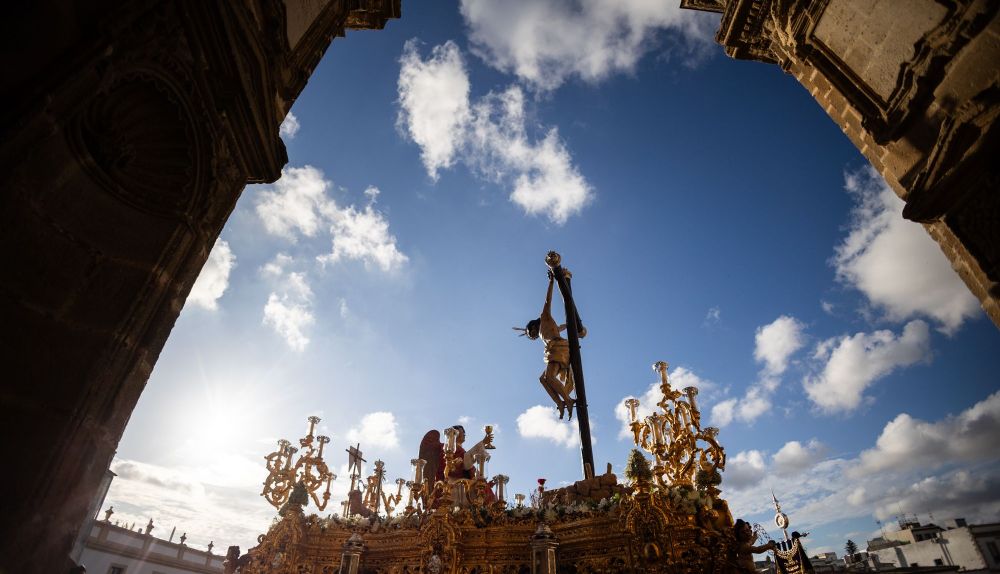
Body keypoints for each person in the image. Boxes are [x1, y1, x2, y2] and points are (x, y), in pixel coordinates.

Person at [518, 272, 581, 419]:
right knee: (543, 379)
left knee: (549, 377)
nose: (532, 336)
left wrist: (551, 281)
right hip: (554, 351)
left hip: (559, 349)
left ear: (533, 326)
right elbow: (561, 327)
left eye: (530, 333)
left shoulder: (544, 318)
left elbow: (548, 300)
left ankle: (568, 400)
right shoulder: (546, 330)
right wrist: (574, 328)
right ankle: (560, 402)